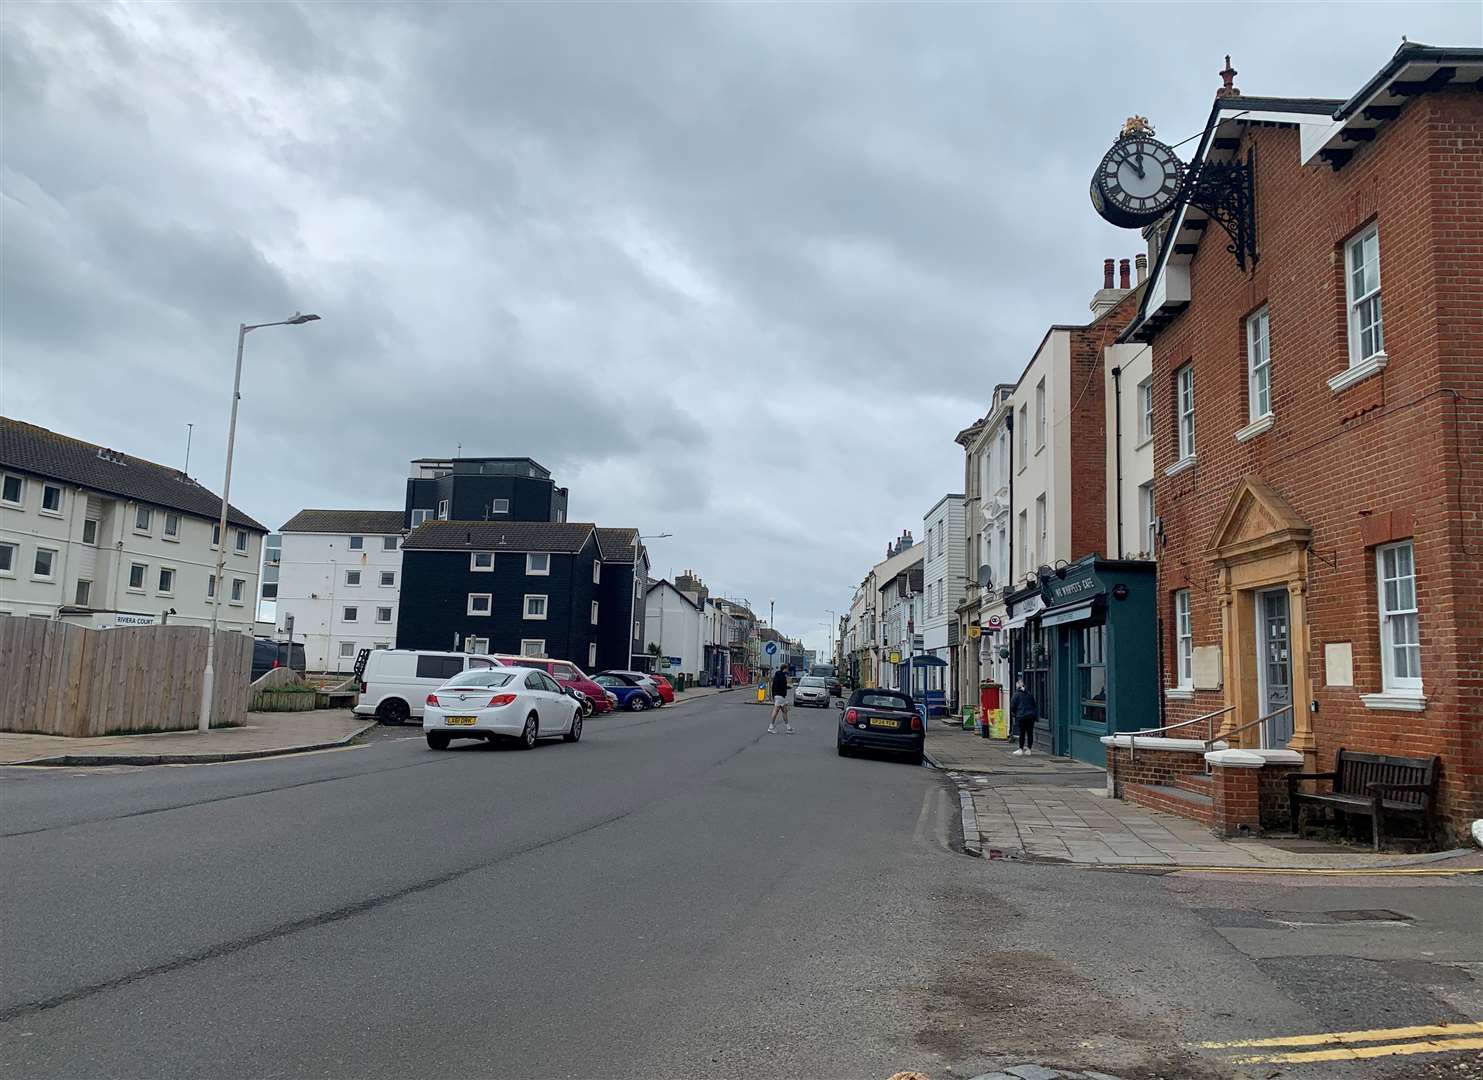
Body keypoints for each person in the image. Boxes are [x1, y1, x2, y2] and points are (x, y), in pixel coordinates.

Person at [1010, 677, 1038, 755]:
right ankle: (1029, 749)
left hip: (1021, 716)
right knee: (1030, 733)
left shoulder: (1016, 695)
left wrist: (1014, 714)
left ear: (1017, 686)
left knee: (1022, 733)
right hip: (1031, 716)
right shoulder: (1030, 694)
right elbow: (1034, 704)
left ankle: (1020, 749)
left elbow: (1012, 706)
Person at [768, 666, 793, 734]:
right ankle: (771, 727)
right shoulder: (783, 676)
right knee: (776, 711)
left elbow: (773, 686)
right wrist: (788, 687)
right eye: (787, 669)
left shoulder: (776, 676)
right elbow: (783, 686)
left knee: (784, 711)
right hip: (780, 695)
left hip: (777, 695)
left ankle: (788, 728)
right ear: (784, 669)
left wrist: (773, 696)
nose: (787, 670)